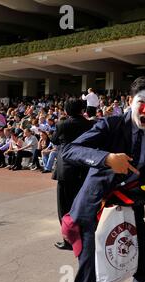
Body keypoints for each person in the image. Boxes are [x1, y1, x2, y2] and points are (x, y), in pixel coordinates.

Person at [62, 76, 145, 282]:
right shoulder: (110, 125)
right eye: (142, 101)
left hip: (130, 210)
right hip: (96, 212)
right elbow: (68, 151)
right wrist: (106, 158)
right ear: (130, 101)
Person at [51, 100, 94, 250]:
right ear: (82, 110)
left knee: (65, 207)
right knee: (83, 204)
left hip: (67, 170)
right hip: (85, 168)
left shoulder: (63, 124)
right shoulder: (90, 124)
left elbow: (54, 140)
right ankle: (85, 236)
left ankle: (69, 240)